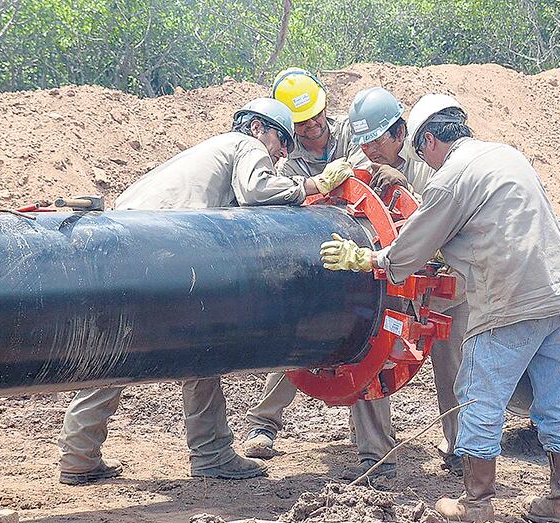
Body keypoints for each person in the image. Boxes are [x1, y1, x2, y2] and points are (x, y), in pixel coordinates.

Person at [319, 93, 560, 523]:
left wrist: (368, 258)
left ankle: (476, 504)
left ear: (427, 141)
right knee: (556, 402)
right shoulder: (507, 155)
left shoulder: (449, 178)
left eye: (419, 148)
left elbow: (408, 253)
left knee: (478, 400)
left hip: (508, 302)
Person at [57, 97, 354, 485]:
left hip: (123, 241)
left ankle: (78, 456)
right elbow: (256, 191)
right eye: (280, 140)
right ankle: (211, 453)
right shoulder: (244, 145)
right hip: (165, 248)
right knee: (203, 350)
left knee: (122, 349)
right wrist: (311, 184)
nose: (282, 153)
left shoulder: (203, 155)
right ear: (256, 128)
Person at [241, 69, 396, 482]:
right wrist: (312, 185)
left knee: (368, 340)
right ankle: (263, 425)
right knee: (301, 337)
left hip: (362, 248)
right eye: (304, 124)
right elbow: (275, 196)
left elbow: (375, 167)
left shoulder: (349, 132)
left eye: (318, 117)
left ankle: (375, 451)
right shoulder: (284, 154)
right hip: (311, 253)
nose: (314, 127)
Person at [345, 86, 470, 476]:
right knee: (363, 355)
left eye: (377, 140)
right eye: (363, 142)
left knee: (456, 368)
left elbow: (442, 224)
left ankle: (463, 449)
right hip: (387, 285)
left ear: (401, 133)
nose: (369, 150)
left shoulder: (432, 161)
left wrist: (402, 185)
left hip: (442, 286)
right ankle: (375, 455)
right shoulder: (357, 167)